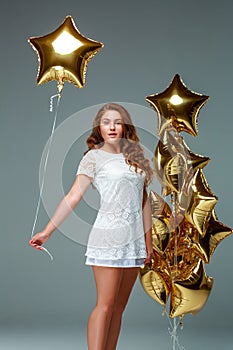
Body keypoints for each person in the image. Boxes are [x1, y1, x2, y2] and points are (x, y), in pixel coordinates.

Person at [30, 102, 154, 350]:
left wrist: (148, 245)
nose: (112, 127)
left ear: (125, 126)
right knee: (105, 305)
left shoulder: (136, 156)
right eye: (106, 122)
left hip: (134, 242)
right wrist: (47, 231)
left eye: (117, 122)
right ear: (99, 127)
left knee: (119, 309)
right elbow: (73, 195)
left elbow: (144, 201)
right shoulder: (93, 158)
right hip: (107, 238)